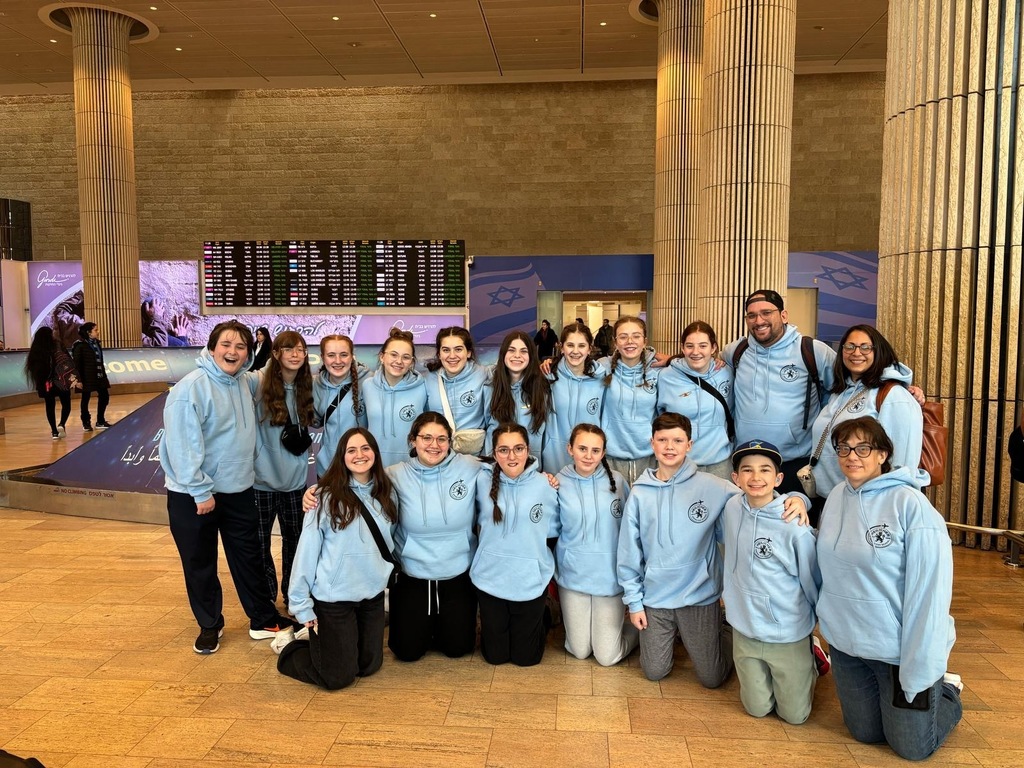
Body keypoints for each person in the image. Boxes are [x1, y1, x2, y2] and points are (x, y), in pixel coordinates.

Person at [616, 412, 809, 686]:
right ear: (652, 443)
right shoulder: (639, 493)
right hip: (655, 598)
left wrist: (797, 498)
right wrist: (634, 602)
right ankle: (677, 635)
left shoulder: (713, 486)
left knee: (712, 678)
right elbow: (629, 552)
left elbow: (757, 493)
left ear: (689, 445)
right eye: (663, 440)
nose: (670, 447)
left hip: (699, 596)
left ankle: (726, 628)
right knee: (654, 672)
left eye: (677, 440)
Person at [817, 416, 961, 760]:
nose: (853, 455)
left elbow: (930, 593)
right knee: (865, 734)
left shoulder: (911, 506)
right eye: (844, 448)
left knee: (912, 748)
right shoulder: (837, 496)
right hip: (848, 645)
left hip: (897, 648)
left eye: (863, 448)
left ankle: (947, 691)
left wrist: (921, 664)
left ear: (882, 454)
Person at [159, 320, 298, 655]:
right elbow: (182, 445)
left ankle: (262, 619)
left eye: (240, 347)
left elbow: (276, 373)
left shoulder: (244, 383)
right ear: (211, 347)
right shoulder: (191, 388)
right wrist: (200, 491)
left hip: (238, 490)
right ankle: (210, 624)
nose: (233, 352)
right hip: (195, 495)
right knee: (200, 561)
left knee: (248, 556)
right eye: (226, 344)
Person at [275, 427, 399, 689]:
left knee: (368, 666)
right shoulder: (324, 498)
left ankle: (330, 647)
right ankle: (292, 648)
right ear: (341, 456)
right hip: (334, 599)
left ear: (375, 453)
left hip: (371, 598)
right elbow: (305, 554)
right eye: (351, 450)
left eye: (366, 448)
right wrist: (300, 604)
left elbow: (392, 543)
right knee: (337, 677)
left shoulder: (387, 493)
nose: (359, 455)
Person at [723, 440, 823, 725]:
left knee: (795, 716)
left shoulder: (794, 524)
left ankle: (811, 658)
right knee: (756, 708)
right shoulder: (731, 507)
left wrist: (816, 619)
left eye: (765, 470)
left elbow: (812, 577)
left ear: (778, 478)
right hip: (745, 626)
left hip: (786, 630)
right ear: (735, 478)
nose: (756, 478)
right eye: (747, 471)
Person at [387, 412, 484, 661]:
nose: (434, 445)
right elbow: (357, 484)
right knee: (406, 652)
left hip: (457, 573)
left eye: (442, 439)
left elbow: (509, 469)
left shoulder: (469, 467)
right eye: (426, 438)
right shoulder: (394, 475)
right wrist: (316, 492)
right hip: (412, 574)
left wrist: (544, 476)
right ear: (412, 440)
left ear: (450, 442)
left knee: (458, 649)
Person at [722, 289, 836, 495]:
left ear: (783, 315)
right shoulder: (737, 351)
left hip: (795, 463)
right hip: (747, 461)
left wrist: (898, 383)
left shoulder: (812, 350)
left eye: (766, 313)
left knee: (794, 524)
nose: (759, 320)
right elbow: (702, 361)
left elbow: (853, 378)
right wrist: (672, 360)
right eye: (752, 315)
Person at [471, 423, 560, 666]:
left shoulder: (545, 485)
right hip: (490, 576)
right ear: (494, 452)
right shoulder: (480, 480)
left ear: (528, 450)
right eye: (504, 450)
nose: (512, 456)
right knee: (495, 657)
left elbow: (554, 529)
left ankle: (542, 614)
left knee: (527, 658)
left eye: (518, 448)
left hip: (530, 579)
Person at [809, 325, 924, 499]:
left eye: (865, 347)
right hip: (833, 498)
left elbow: (903, 462)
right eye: (849, 346)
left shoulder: (894, 395)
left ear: (879, 352)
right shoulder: (839, 393)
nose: (856, 353)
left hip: (869, 501)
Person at [555, 423, 637, 666]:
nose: (588, 456)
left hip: (609, 577)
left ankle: (640, 633)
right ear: (570, 449)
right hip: (573, 576)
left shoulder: (619, 483)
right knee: (579, 650)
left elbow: (632, 532)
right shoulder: (558, 482)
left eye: (595, 450)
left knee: (606, 657)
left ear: (603, 453)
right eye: (582, 448)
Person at [249, 331, 315, 613]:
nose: (295, 354)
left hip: (296, 483)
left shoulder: (306, 386)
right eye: (288, 349)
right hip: (261, 482)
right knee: (260, 545)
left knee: (296, 543)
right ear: (275, 353)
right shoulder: (258, 383)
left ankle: (293, 595)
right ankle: (265, 600)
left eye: (300, 349)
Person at [657, 320, 735, 479]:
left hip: (720, 462)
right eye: (690, 346)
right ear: (682, 348)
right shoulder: (666, 377)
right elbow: (658, 418)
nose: (696, 351)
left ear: (713, 348)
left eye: (703, 346)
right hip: (680, 463)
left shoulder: (726, 373)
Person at [601, 316, 660, 484]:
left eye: (636, 336)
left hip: (649, 457)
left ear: (644, 341)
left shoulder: (657, 370)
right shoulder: (602, 367)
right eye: (623, 336)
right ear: (615, 342)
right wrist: (550, 362)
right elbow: (574, 363)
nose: (630, 341)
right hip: (611, 456)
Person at [542, 322, 607, 473]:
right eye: (570, 345)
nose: (575, 351)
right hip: (555, 455)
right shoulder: (548, 375)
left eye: (582, 346)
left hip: (589, 457)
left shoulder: (601, 378)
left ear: (590, 348)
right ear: (561, 347)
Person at [362, 327, 427, 467]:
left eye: (406, 357)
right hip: (374, 466)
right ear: (382, 356)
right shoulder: (367, 386)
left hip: (411, 468)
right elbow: (361, 429)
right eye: (394, 355)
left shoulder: (423, 387)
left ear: (411, 361)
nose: (399, 361)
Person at [488, 331, 551, 468]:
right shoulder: (490, 388)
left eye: (524, 351)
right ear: (503, 354)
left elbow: (547, 435)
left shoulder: (543, 388)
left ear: (531, 356)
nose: (517, 355)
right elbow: (486, 429)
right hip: (498, 469)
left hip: (532, 470)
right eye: (511, 350)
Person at [423, 326, 490, 455]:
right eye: (446, 350)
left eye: (458, 349)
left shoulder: (484, 375)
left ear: (468, 352)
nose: (452, 356)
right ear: (439, 354)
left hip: (475, 460)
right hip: (439, 456)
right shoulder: (427, 380)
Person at [313, 334, 368, 480]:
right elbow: (315, 421)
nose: (338, 361)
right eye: (331, 355)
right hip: (327, 469)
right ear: (322, 357)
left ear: (352, 356)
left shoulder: (369, 381)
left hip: (362, 469)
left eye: (344, 355)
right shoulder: (315, 384)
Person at [23, 327, 77, 439]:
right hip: (61, 381)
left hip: (46, 384)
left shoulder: (36, 350)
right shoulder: (57, 345)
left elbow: (33, 369)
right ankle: (62, 424)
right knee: (66, 403)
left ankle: (54, 431)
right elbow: (68, 360)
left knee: (49, 405)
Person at [71, 321, 112, 431]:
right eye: (95, 330)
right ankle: (86, 422)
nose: (98, 332)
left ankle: (100, 420)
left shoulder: (97, 343)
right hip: (86, 377)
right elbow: (76, 364)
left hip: (99, 376)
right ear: (89, 332)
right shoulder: (79, 345)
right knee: (85, 399)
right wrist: (78, 380)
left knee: (104, 396)